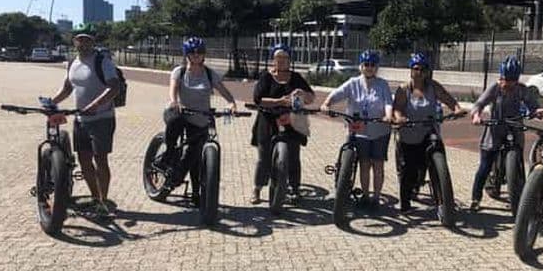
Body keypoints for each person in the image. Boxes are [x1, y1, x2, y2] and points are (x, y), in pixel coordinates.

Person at [49, 24, 121, 218]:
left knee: (100, 159)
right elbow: (67, 88)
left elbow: (114, 87)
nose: (83, 43)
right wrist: (51, 102)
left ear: (93, 42)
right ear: (74, 41)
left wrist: (96, 105)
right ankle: (95, 197)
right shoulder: (73, 62)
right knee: (84, 159)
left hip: (102, 118)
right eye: (80, 39)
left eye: (87, 39)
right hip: (80, 118)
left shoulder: (102, 61)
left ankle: (103, 202)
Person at [160, 37, 238, 207]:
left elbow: (224, 91)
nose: (196, 56)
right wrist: (175, 102)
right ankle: (169, 153)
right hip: (181, 114)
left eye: (199, 53)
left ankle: (196, 192)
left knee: (195, 155)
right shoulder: (179, 72)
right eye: (192, 53)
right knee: (175, 120)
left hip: (200, 118)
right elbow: (173, 89)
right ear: (186, 54)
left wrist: (231, 103)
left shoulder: (209, 74)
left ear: (204, 55)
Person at [469, 55, 543, 212]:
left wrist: (537, 111)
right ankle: (475, 199)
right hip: (495, 129)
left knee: (518, 164)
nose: (508, 83)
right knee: (485, 165)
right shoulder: (495, 88)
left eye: (512, 80)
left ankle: (522, 200)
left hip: (514, 128)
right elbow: (479, 103)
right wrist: (476, 115)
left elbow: (532, 105)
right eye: (505, 79)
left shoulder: (521, 90)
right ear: (501, 76)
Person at [320, 50, 393, 209]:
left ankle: (376, 197)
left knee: (378, 165)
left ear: (377, 67)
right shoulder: (353, 83)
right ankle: (366, 196)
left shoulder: (383, 84)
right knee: (365, 164)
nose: (369, 68)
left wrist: (388, 116)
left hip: (379, 130)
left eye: (372, 65)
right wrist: (327, 104)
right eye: (366, 64)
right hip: (358, 130)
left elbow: (388, 102)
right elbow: (336, 93)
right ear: (361, 66)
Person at [392, 52, 464, 212]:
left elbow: (448, 99)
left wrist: (457, 109)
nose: (419, 72)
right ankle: (405, 202)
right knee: (409, 170)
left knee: (437, 150)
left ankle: (443, 191)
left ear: (427, 71)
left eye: (423, 69)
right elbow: (397, 108)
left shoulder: (433, 86)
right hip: (409, 133)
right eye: (416, 68)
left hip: (428, 129)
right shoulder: (404, 89)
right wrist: (400, 118)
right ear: (411, 70)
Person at [251, 44, 315, 204]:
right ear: (273, 60)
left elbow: (311, 97)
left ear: (289, 60)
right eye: (278, 58)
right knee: (263, 157)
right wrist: (280, 101)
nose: (281, 61)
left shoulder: (296, 77)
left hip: (292, 121)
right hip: (268, 120)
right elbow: (258, 99)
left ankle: (295, 188)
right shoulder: (266, 77)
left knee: (294, 155)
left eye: (285, 58)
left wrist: (302, 94)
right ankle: (257, 188)